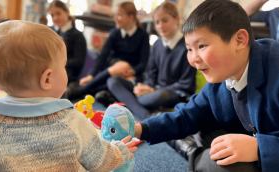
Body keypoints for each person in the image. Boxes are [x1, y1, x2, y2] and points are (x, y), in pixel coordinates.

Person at [133, 0, 279, 171]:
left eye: (201, 46)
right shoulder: (220, 77)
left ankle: (192, 154)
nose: (194, 58)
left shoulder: (274, 65)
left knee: (213, 163)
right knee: (202, 126)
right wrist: (138, 129)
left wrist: (259, 148)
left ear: (239, 40)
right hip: (247, 135)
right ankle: (194, 153)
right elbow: (187, 116)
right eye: (189, 49)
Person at [0, 20, 137, 171]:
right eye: (64, 67)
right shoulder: (71, 121)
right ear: (47, 79)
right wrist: (120, 151)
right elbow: (101, 160)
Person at [106, 1, 196, 120]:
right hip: (153, 91)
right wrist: (145, 87)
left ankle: (130, 103)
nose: (160, 26)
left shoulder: (187, 46)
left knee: (157, 95)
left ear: (177, 19)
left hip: (171, 93)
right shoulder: (157, 44)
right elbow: (150, 73)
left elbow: (186, 83)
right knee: (113, 81)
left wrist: (153, 90)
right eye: (157, 22)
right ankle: (146, 114)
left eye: (165, 20)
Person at [65, 2, 150, 100]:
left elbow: (143, 62)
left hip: (129, 72)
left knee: (127, 76)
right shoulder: (114, 33)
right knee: (120, 67)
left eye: (119, 15)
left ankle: (83, 90)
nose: (115, 18)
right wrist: (91, 75)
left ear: (130, 18)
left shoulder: (143, 35)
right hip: (111, 67)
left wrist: (132, 71)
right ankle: (102, 94)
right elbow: (102, 56)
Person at [48, 0, 87, 85]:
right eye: (52, 15)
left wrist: (58, 63)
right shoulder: (54, 31)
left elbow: (79, 62)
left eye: (58, 14)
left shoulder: (78, 36)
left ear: (67, 12)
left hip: (68, 75)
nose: (55, 18)